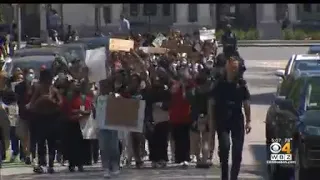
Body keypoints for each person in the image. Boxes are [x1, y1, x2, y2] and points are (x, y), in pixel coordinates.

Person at [209, 57, 252, 180]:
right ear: (227, 67)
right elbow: (211, 103)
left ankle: (234, 177)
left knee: (237, 151)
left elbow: (246, 103)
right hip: (222, 119)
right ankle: (224, 176)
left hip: (236, 119)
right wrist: (211, 122)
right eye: (231, 67)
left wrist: (248, 121)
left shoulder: (241, 84)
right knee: (225, 147)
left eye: (235, 68)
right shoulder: (219, 84)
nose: (234, 70)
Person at [27, 69, 63, 173]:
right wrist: (41, 100)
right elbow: (32, 105)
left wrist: (51, 101)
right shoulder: (38, 89)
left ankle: (51, 165)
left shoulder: (54, 90)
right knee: (41, 142)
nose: (47, 82)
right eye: (45, 80)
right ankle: (42, 164)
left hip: (52, 118)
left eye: (49, 80)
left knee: (52, 143)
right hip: (40, 119)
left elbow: (61, 104)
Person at [63, 80, 91, 172]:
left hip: (81, 124)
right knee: (71, 145)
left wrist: (81, 112)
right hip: (70, 124)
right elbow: (65, 111)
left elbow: (89, 110)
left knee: (81, 145)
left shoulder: (84, 98)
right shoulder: (68, 98)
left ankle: (80, 163)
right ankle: (72, 164)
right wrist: (74, 113)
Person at [14, 68, 36, 165]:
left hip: (34, 115)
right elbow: (18, 100)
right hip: (23, 114)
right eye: (29, 73)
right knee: (23, 136)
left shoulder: (36, 86)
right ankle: (27, 153)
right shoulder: (19, 87)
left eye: (32, 73)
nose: (31, 75)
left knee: (32, 136)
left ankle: (31, 155)